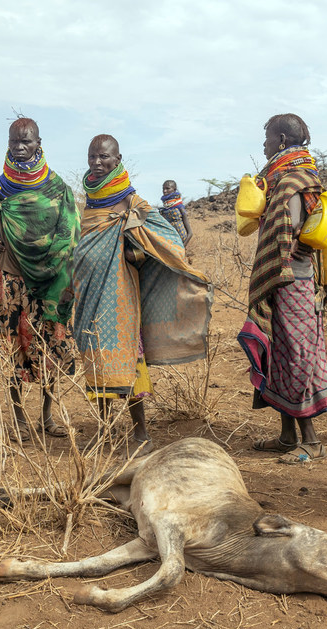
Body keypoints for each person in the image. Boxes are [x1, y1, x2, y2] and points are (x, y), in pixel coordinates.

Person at [73, 135, 211, 454]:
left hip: (121, 297)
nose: (97, 162)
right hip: (90, 295)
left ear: (117, 159)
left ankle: (141, 435)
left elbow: (168, 238)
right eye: (92, 156)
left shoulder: (132, 202)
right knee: (98, 359)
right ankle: (105, 431)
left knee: (130, 361)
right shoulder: (91, 200)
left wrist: (135, 251)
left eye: (104, 157)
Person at [0, 117, 79, 441]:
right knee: (13, 346)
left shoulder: (57, 188)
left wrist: (53, 265)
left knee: (48, 345)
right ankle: (18, 418)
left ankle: (47, 415)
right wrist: (0, 244)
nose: (19, 147)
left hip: (49, 281)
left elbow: (69, 232)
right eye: (14, 141)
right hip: (12, 279)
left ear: (38, 143)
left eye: (26, 141)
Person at [238, 114, 327, 461]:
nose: (263, 145)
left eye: (266, 138)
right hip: (285, 278)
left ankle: (312, 441)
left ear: (280, 140)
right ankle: (288, 436)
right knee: (278, 352)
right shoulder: (286, 179)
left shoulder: (292, 181)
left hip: (293, 278)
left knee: (296, 354)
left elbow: (290, 234)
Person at [158, 180, 192, 246]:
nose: (164, 191)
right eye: (163, 189)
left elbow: (190, 233)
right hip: (168, 243)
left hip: (180, 244)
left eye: (167, 188)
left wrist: (183, 247)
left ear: (174, 189)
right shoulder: (164, 209)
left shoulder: (180, 208)